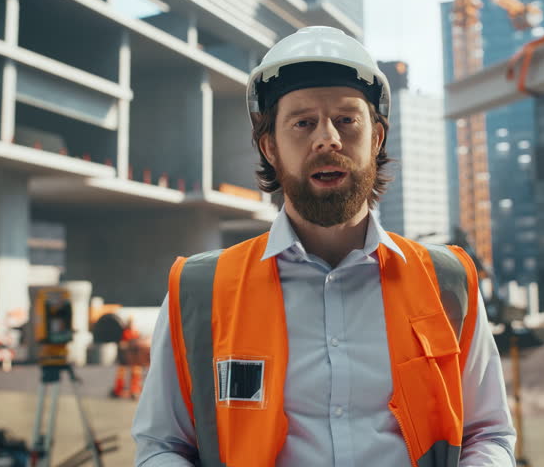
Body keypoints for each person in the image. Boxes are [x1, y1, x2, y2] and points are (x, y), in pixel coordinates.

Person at [132, 26, 516, 467]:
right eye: (303, 122)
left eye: (347, 119)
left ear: (376, 139)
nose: (328, 138)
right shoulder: (200, 290)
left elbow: (488, 432)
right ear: (270, 146)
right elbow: (162, 446)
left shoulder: (448, 282)